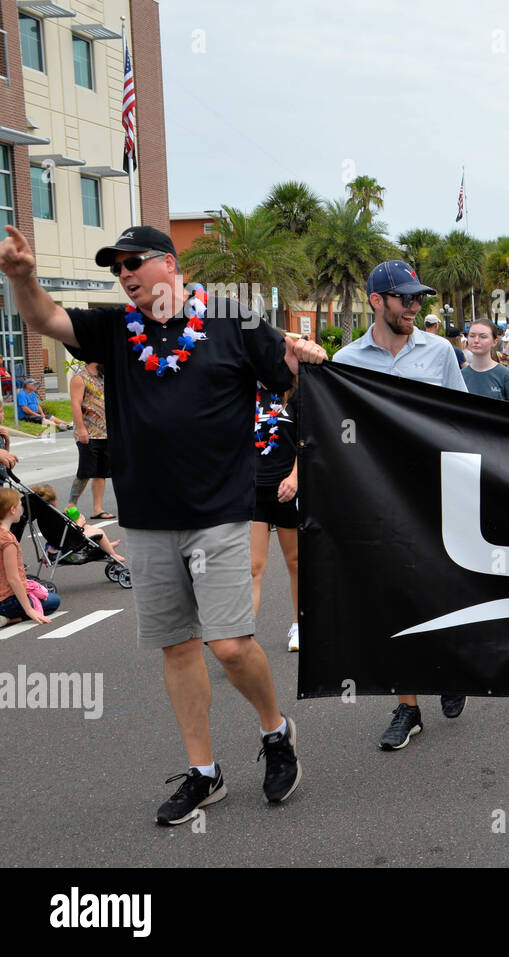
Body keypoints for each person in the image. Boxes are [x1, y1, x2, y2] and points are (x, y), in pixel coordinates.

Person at [0, 222, 320, 825]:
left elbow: (293, 376)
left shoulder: (231, 319)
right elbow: (46, 320)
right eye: (115, 266)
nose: (123, 273)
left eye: (133, 261)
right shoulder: (114, 329)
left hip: (221, 512)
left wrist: (307, 356)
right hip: (146, 520)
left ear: (171, 265)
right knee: (177, 648)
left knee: (228, 644)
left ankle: (276, 732)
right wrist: (23, 278)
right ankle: (205, 772)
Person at [334, 260, 469, 750]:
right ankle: (407, 708)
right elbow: (336, 432)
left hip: (437, 491)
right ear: (376, 301)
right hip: (379, 497)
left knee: (443, 587)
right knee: (392, 599)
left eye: (419, 299)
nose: (415, 306)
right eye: (405, 298)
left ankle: (452, 666)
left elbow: (461, 419)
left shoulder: (440, 353)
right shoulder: (347, 361)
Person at [249, 380, 300, 652]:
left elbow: (309, 440)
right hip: (256, 488)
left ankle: (298, 624)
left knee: (294, 561)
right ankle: (243, 633)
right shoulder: (249, 393)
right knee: (254, 566)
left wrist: (295, 478)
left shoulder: (298, 394)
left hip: (287, 489)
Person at [0, 488, 60, 623]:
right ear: (12, 510)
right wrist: (28, 609)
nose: (22, 508)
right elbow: (13, 578)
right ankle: (9, 619)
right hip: (7, 601)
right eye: (20, 505)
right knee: (53, 600)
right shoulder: (8, 541)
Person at [29, 482, 128, 563]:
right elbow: (70, 531)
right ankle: (113, 555)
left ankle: (106, 546)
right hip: (69, 543)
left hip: (58, 541)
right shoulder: (54, 516)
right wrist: (79, 522)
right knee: (99, 532)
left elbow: (62, 529)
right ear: (53, 500)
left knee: (88, 527)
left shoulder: (44, 517)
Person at [68, 361, 114, 519]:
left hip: (106, 433)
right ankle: (71, 505)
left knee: (101, 472)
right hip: (88, 433)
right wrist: (81, 429)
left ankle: (97, 509)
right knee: (85, 470)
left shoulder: (104, 377)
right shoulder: (80, 379)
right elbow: (75, 404)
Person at [462, 319, 509, 403]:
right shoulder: (461, 375)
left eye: (483, 336)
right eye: (472, 336)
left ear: (494, 342)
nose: (476, 340)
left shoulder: (505, 374)